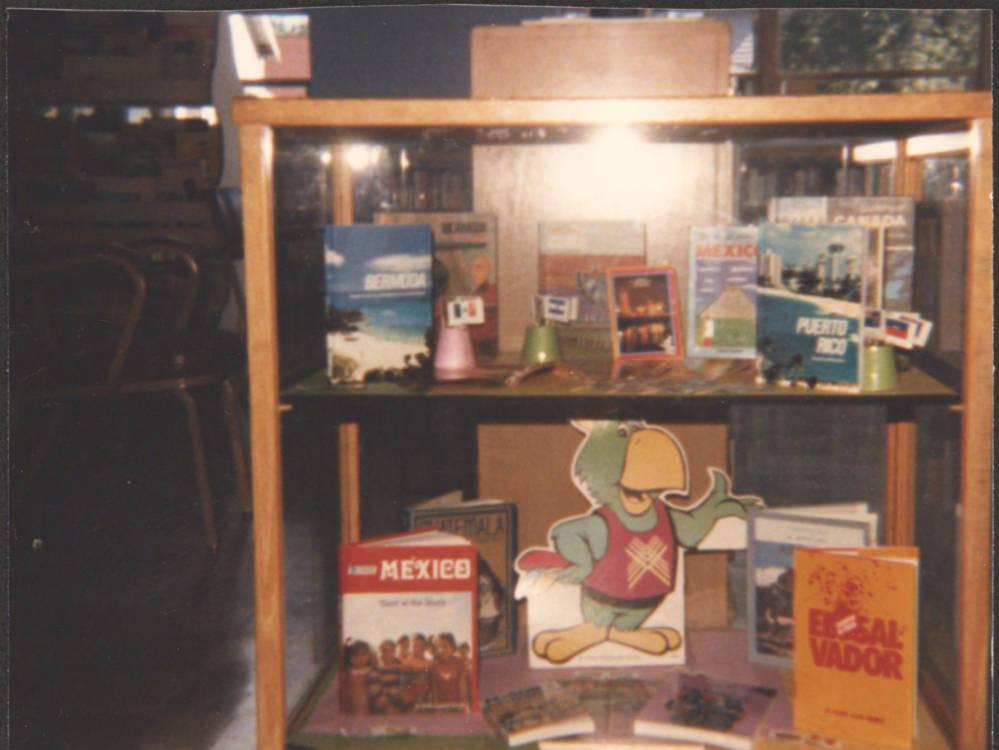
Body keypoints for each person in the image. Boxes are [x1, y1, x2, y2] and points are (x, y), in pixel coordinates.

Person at [429, 632, 469, 709]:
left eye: (445, 646)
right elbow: (434, 689)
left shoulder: (459, 663)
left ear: (452, 647)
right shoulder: (435, 665)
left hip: (457, 704)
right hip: (441, 705)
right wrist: (436, 707)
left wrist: (463, 705)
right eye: (438, 647)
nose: (442, 650)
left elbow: (463, 686)